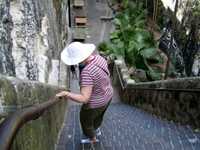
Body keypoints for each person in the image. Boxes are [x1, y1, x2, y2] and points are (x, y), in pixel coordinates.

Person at [56, 42, 113, 143]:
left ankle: (91, 138)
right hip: (108, 95)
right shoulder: (99, 58)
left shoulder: (87, 72)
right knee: (99, 116)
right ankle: (96, 129)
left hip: (95, 103)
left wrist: (66, 94)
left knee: (85, 120)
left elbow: (84, 98)